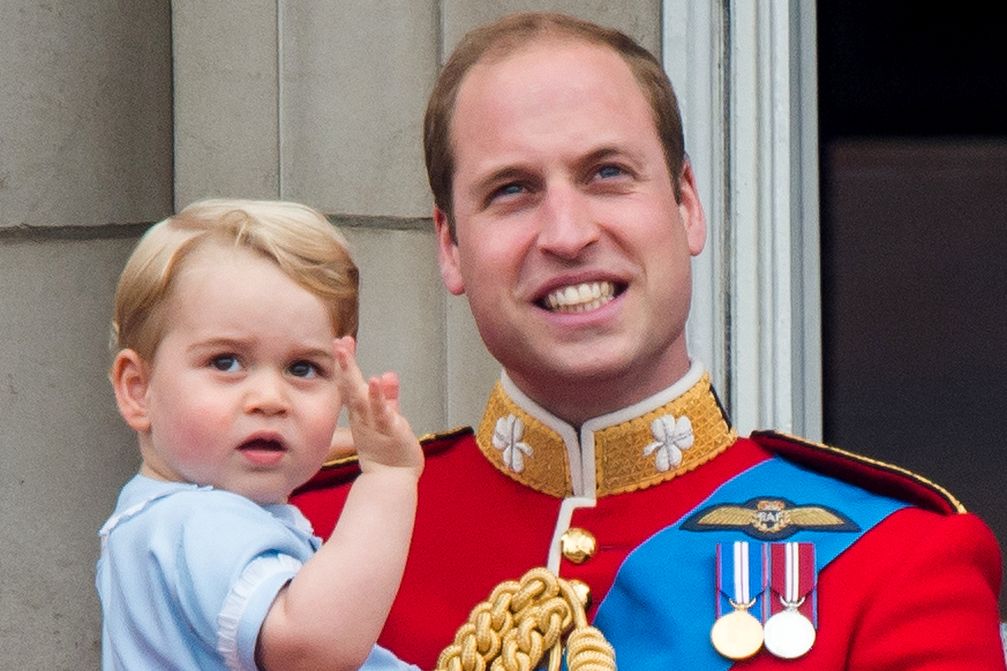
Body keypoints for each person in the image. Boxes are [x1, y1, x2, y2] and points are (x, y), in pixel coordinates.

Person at [292, 12, 1005, 669]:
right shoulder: (309, 539)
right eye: (511, 189)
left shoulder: (891, 556)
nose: (567, 234)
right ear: (450, 245)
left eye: (607, 174)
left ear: (686, 206)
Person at [98, 200, 423, 671]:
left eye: (302, 368)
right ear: (138, 389)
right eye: (226, 362)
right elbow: (314, 647)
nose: (270, 399)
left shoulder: (155, 512)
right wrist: (388, 478)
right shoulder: (197, 522)